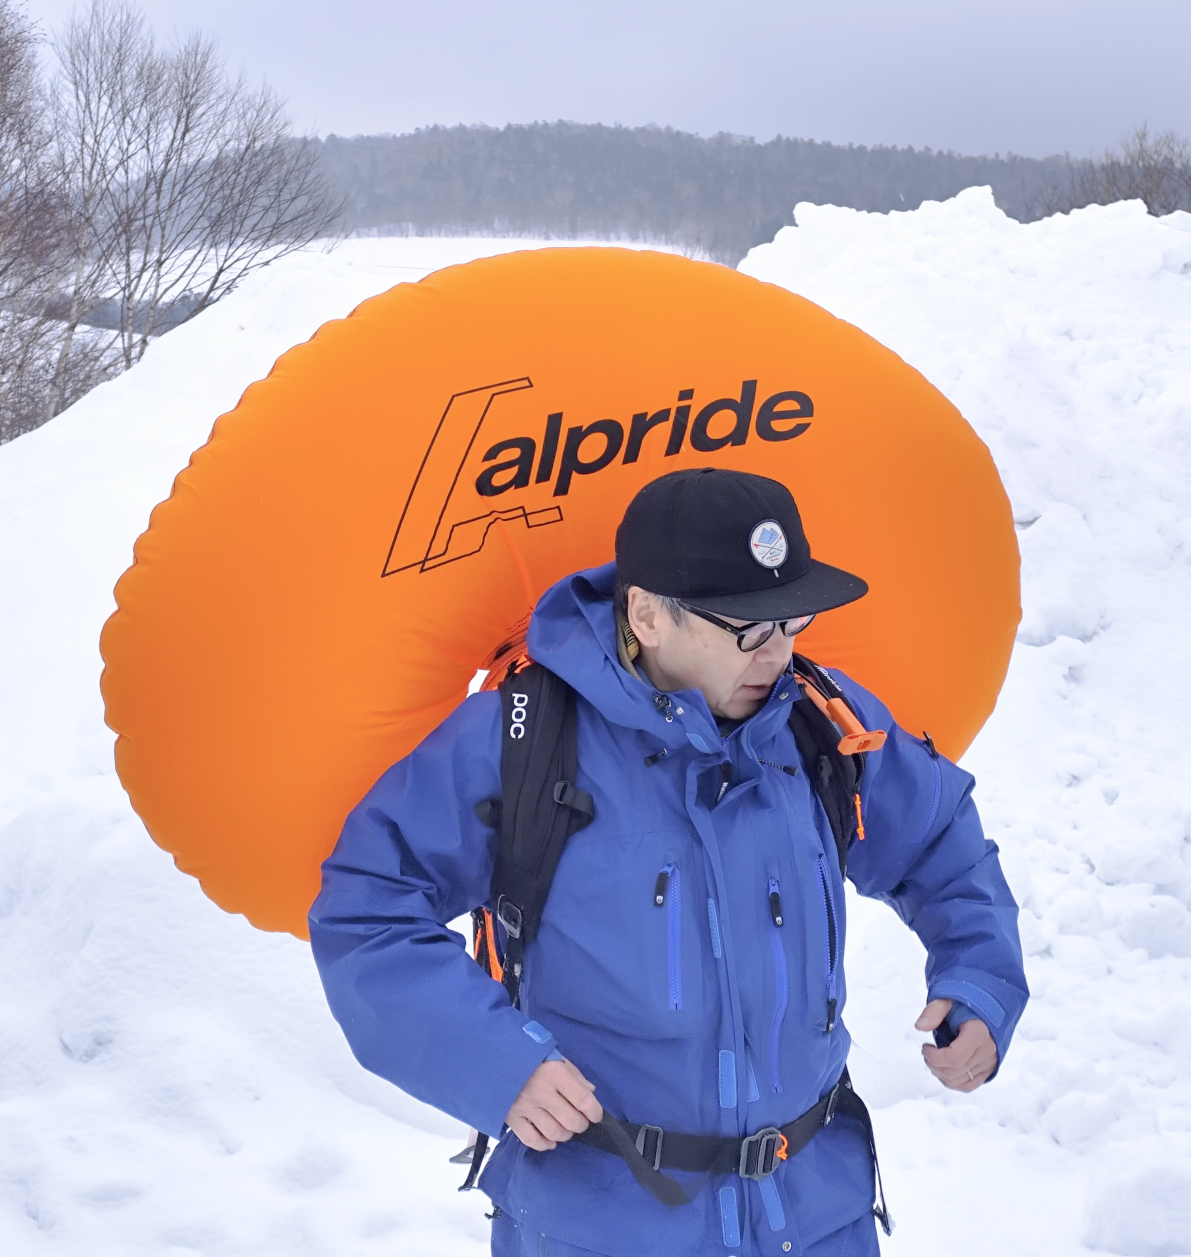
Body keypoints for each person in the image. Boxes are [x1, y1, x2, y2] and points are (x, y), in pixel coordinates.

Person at [310, 467, 1028, 1256]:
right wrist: (495, 1065)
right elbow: (367, 908)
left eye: (793, 621)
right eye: (748, 630)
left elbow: (938, 842)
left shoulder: (822, 722)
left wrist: (980, 980)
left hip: (817, 1219)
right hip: (602, 1225)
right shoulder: (520, 740)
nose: (779, 654)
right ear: (648, 615)